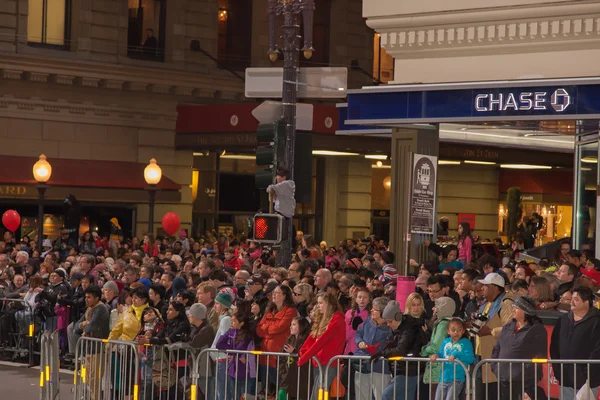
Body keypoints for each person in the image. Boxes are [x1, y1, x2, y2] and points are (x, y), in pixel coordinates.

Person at [492, 296, 548, 400]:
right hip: (504, 377)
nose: (513, 310)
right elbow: (497, 348)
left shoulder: (537, 329)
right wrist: (495, 367)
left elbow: (540, 355)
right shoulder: (507, 327)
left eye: (516, 307)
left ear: (526, 311)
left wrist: (525, 371)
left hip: (524, 381)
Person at [550, 286, 600, 399]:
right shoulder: (563, 320)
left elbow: (598, 350)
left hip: (587, 383)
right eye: (572, 298)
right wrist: (558, 370)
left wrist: (588, 374)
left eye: (576, 299)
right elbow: (554, 346)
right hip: (565, 379)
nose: (572, 302)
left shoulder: (596, 322)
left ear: (586, 302)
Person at [297, 292, 346, 400]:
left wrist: (304, 358)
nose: (318, 306)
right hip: (319, 361)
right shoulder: (323, 318)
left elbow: (322, 341)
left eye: (320, 303)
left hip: (329, 362)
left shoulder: (337, 319)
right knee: (318, 392)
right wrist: (303, 350)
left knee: (318, 393)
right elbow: (312, 337)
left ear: (329, 304)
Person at [473, 272, 514, 400]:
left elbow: (512, 329)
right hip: (481, 359)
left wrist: (490, 331)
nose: (482, 288)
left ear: (495, 288)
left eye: (486, 286)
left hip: (497, 362)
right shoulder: (486, 305)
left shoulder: (506, 303)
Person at [255, 284, 297, 395]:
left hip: (279, 356)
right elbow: (259, 330)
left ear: (285, 296)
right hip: (265, 355)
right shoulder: (269, 310)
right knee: (266, 390)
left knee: (279, 387)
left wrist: (266, 328)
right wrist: (268, 329)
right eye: (273, 293)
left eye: (277, 293)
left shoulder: (290, 311)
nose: (273, 295)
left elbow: (280, 328)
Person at [354, 296, 392, 400]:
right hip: (363, 364)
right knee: (361, 395)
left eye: (375, 309)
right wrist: (360, 342)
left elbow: (390, 346)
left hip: (379, 367)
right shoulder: (367, 321)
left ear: (383, 312)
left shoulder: (389, 327)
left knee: (381, 395)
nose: (371, 311)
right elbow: (358, 334)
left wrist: (374, 349)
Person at [429, 317, 474, 400]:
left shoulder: (466, 343)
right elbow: (441, 354)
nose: (456, 332)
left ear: (463, 331)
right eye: (453, 330)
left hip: (457, 378)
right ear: (448, 331)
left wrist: (457, 355)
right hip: (443, 378)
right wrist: (436, 355)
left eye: (459, 330)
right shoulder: (446, 341)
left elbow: (470, 358)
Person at [215, 311, 257, 399]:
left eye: (234, 321)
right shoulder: (230, 331)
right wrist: (231, 349)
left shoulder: (247, 335)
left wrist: (230, 350)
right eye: (231, 321)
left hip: (246, 371)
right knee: (234, 396)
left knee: (244, 396)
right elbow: (219, 343)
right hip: (233, 370)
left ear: (241, 323)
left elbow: (240, 349)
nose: (231, 323)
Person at [420, 297, 456, 389]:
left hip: (438, 369)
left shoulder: (442, 324)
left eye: (436, 306)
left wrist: (424, 350)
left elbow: (436, 346)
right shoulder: (452, 322)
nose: (433, 308)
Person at [279, 317, 311, 400]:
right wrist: (282, 372)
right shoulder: (290, 340)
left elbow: (306, 356)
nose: (290, 327)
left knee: (301, 396)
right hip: (288, 376)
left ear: (302, 326)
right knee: (281, 394)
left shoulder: (307, 340)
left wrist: (294, 352)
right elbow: (281, 358)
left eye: (293, 325)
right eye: (291, 325)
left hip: (302, 377)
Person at [209, 292, 233, 400]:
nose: (215, 306)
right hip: (220, 360)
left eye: (217, 303)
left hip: (223, 359)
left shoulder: (226, 320)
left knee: (222, 392)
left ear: (224, 305)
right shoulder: (223, 319)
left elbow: (225, 340)